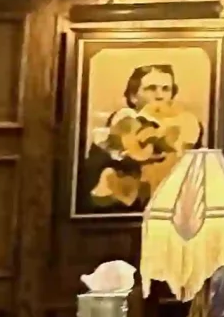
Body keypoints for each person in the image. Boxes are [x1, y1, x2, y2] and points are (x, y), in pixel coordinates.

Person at [81, 61, 202, 211]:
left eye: (166, 89)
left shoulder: (187, 125)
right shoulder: (119, 125)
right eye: (151, 89)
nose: (160, 96)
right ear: (133, 96)